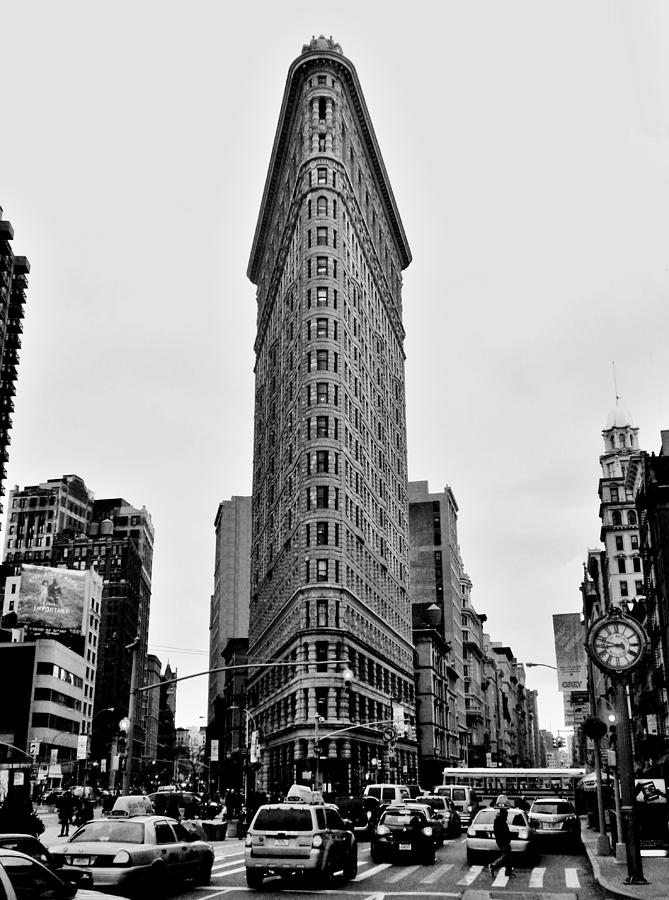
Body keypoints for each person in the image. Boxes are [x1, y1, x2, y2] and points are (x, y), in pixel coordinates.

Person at [489, 806, 515, 878]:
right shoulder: (499, 821)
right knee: (506, 856)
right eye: (506, 814)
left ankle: (508, 872)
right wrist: (508, 835)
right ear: (503, 814)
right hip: (502, 840)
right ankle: (493, 865)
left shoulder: (500, 820)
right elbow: (502, 831)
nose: (507, 816)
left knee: (509, 855)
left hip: (503, 839)